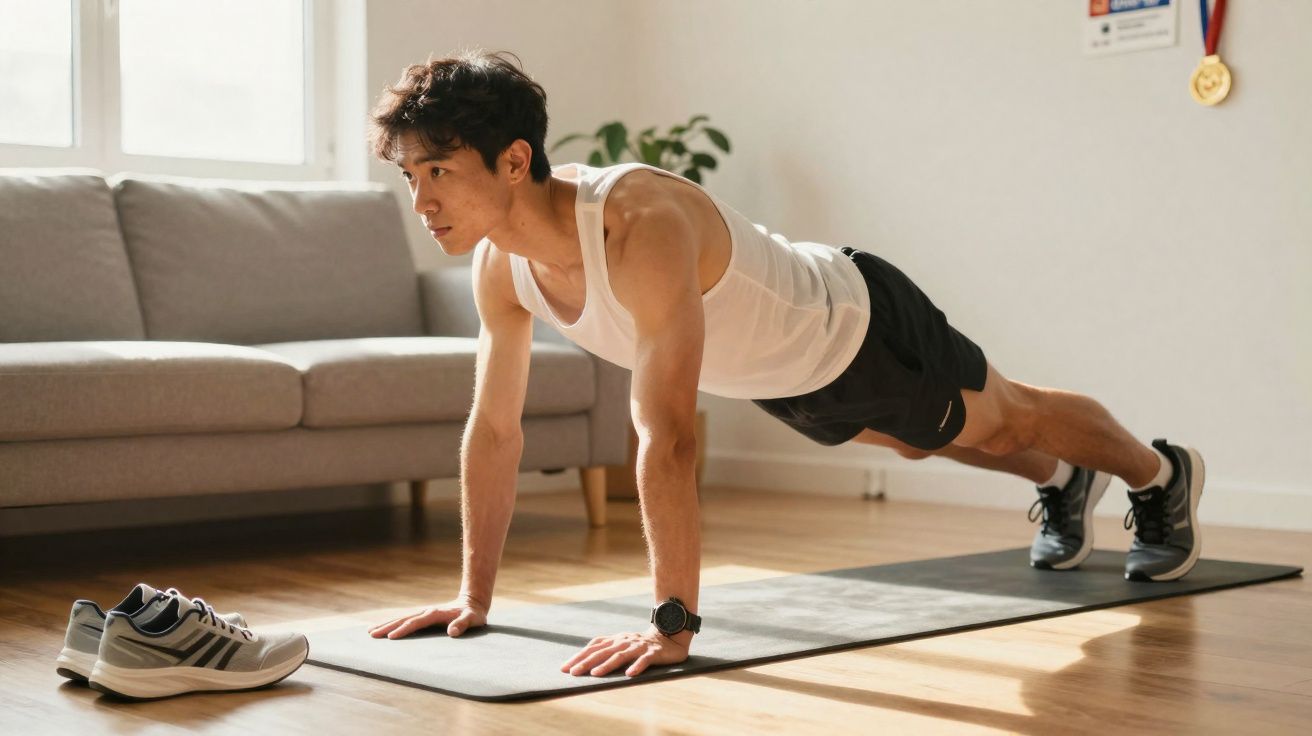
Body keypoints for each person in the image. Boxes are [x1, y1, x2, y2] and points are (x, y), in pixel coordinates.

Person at [363, 49, 1205, 679]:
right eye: (410, 175)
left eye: (440, 170)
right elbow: (496, 431)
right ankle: (1063, 483)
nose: (422, 199)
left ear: (514, 160)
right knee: (924, 443)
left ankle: (1159, 474)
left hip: (854, 325)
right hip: (776, 375)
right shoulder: (496, 266)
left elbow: (667, 440)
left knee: (1005, 418)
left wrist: (672, 624)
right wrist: (475, 599)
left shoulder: (637, 221)